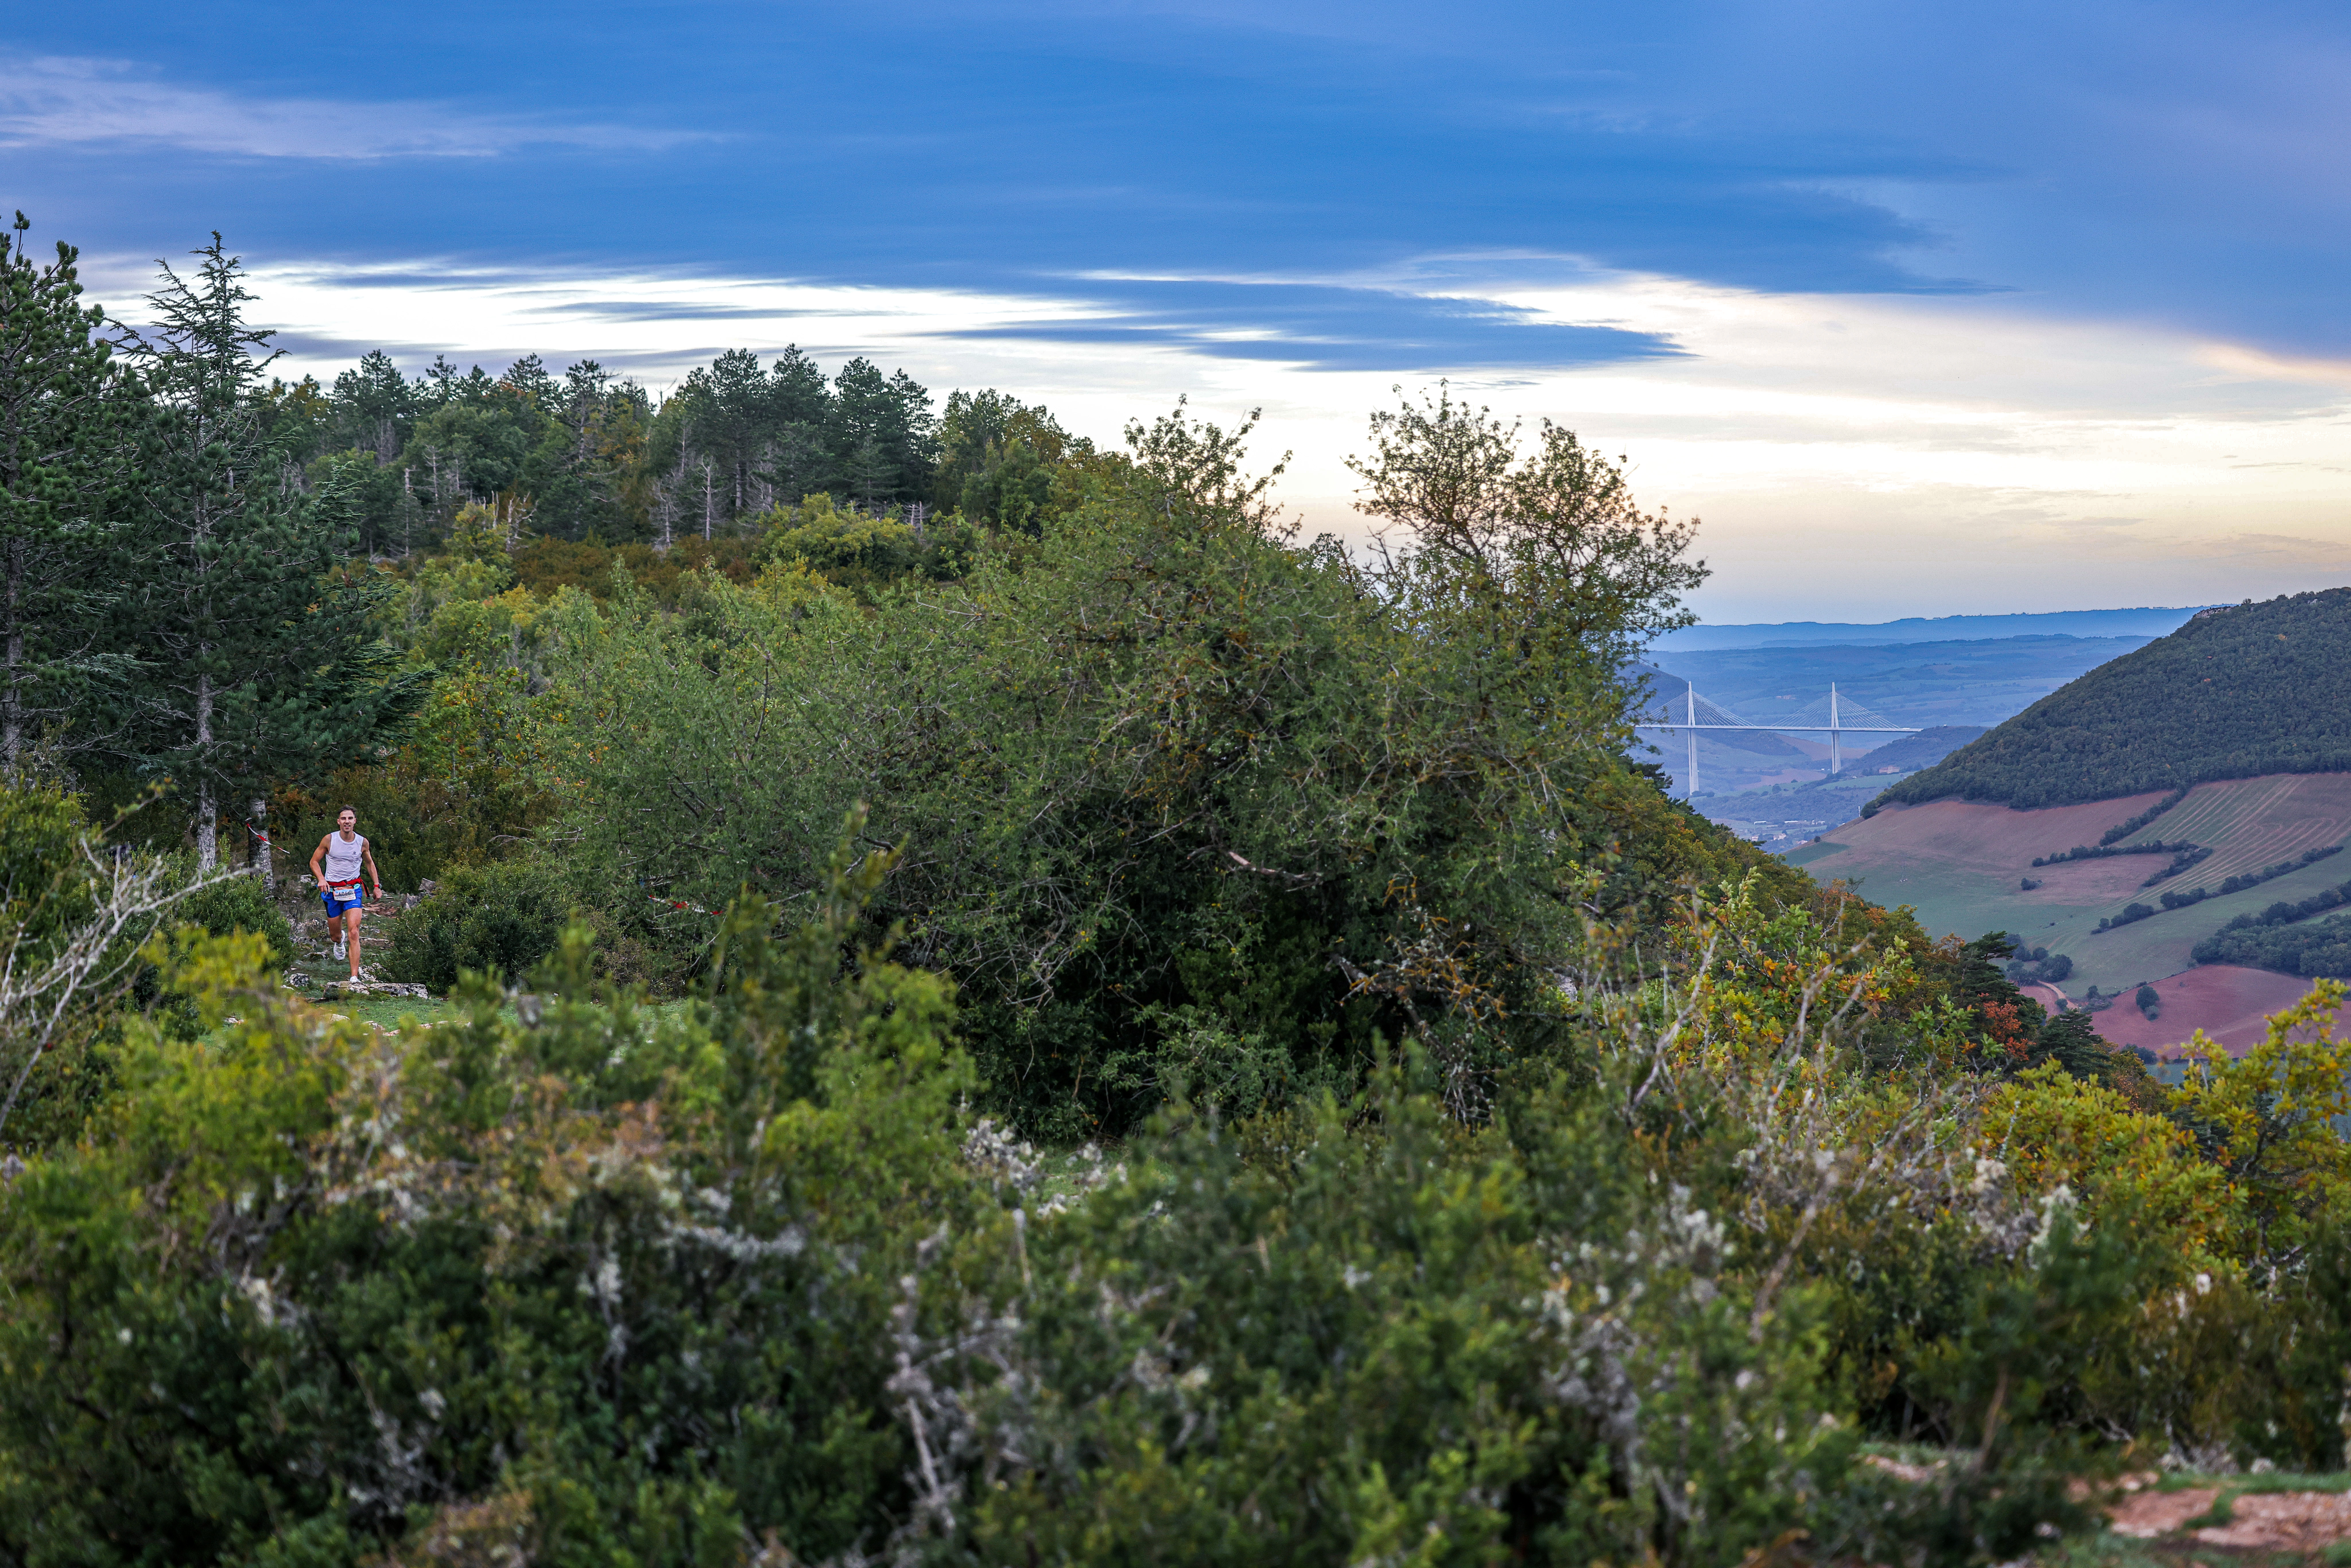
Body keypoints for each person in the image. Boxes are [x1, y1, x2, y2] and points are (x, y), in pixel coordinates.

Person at [308, 807, 383, 982]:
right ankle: (339, 942)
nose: (347, 821)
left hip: (353, 890)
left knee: (354, 932)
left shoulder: (362, 842)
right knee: (335, 935)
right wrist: (321, 879)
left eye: (350, 818)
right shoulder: (329, 839)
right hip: (331, 890)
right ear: (339, 822)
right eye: (344, 819)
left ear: (355, 821)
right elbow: (314, 862)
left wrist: (377, 886)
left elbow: (370, 864)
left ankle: (354, 978)